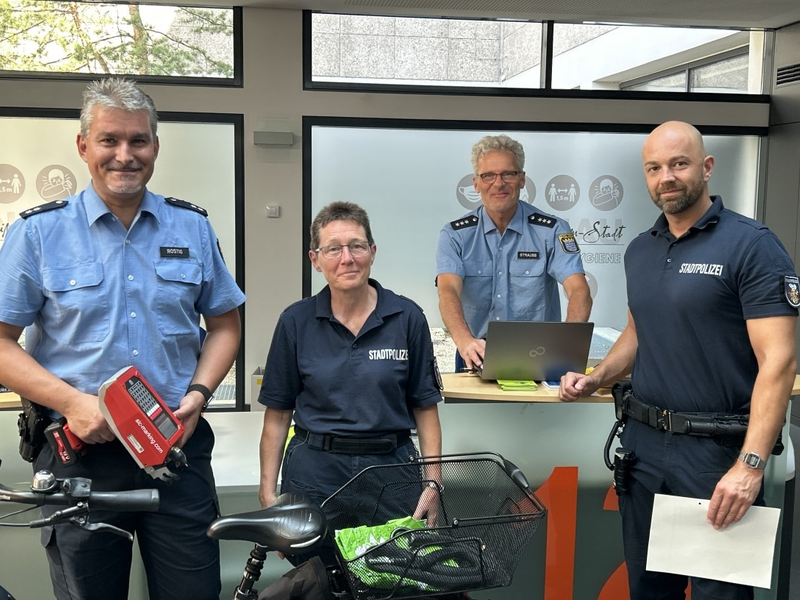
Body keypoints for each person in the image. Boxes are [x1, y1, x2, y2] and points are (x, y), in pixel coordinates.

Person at [0, 78, 245, 600]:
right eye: (110, 140)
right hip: (80, 453)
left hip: (174, 447)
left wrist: (197, 397)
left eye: (138, 141)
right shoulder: (38, 233)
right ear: (84, 146)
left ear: (155, 146)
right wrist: (73, 403)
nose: (125, 155)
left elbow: (225, 325)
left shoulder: (192, 227)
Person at [559, 121, 798, 599]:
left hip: (715, 455)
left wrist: (749, 466)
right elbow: (637, 332)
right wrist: (597, 376)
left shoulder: (752, 245)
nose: (666, 177)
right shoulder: (640, 250)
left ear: (706, 168)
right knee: (650, 590)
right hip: (644, 449)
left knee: (719, 593)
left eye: (678, 164)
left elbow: (780, 360)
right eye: (654, 168)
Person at [257, 201, 443, 563]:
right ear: (315, 259)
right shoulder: (296, 322)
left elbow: (425, 408)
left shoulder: (407, 317)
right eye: (333, 249)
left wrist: (433, 483)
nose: (347, 258)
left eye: (357, 246)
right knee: (316, 577)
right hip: (315, 473)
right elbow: (277, 416)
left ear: (372, 252)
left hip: (391, 471)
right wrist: (268, 496)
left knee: (395, 576)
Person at [435, 134, 592, 371]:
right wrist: (464, 340)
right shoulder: (455, 234)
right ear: (476, 183)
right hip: (475, 352)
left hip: (540, 353)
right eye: (488, 175)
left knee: (539, 411)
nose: (498, 184)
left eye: (508, 174)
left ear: (522, 180)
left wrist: (568, 346)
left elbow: (579, 289)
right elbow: (447, 291)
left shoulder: (553, 230)